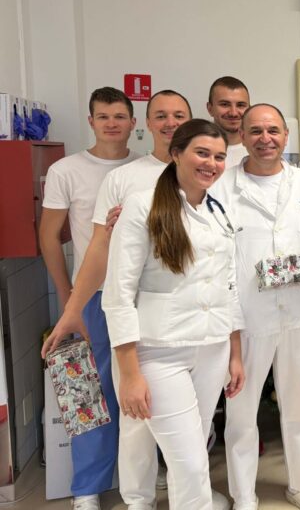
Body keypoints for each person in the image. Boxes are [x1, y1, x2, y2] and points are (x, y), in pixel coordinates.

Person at [40, 90, 222, 510]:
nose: (170, 122)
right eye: (161, 115)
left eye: (179, 115)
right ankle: (118, 493)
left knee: (167, 412)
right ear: (148, 122)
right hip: (119, 304)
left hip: (187, 317)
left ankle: (169, 485)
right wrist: (72, 306)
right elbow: (99, 248)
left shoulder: (207, 177)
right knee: (119, 402)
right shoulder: (125, 179)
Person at [102, 119, 245, 510]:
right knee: (190, 462)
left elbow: (229, 287)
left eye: (219, 157)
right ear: (177, 153)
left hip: (212, 347)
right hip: (158, 351)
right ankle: (146, 501)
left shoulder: (219, 211)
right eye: (202, 153)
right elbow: (118, 294)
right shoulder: (142, 205)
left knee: (193, 449)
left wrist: (234, 353)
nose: (212, 164)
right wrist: (129, 374)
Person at [213, 104, 300, 510]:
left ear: (286, 135)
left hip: (298, 310)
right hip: (248, 316)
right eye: (256, 131)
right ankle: (244, 495)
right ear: (242, 136)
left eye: (273, 131)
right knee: (241, 409)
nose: (265, 139)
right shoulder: (223, 187)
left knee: (298, 401)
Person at [39, 87, 138, 510]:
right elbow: (48, 236)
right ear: (91, 121)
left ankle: (145, 473)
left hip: (141, 294)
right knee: (90, 392)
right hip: (93, 297)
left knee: (144, 383)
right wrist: (69, 298)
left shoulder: (146, 168)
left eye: (119, 116)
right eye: (103, 116)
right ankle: (87, 488)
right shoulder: (66, 170)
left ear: (133, 122)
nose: (112, 123)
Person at [207, 76, 250, 165]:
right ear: (210, 109)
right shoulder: (196, 150)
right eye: (225, 104)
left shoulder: (260, 150)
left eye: (240, 105)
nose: (233, 113)